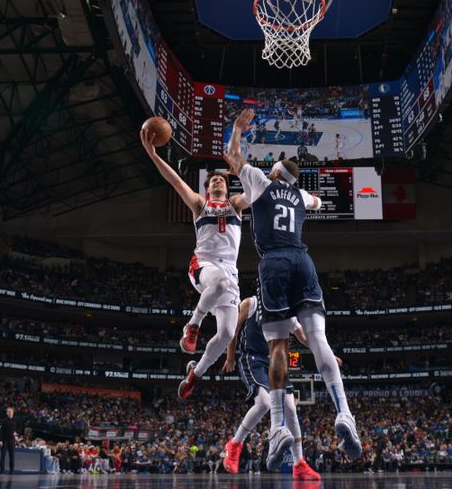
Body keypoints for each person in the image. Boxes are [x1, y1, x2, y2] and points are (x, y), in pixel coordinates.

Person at [224, 109, 361, 472]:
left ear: (274, 173)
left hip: (275, 264)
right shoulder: (301, 196)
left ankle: (279, 428)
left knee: (278, 347)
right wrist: (303, 192)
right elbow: (318, 201)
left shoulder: (260, 182)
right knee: (319, 341)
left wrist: (238, 131)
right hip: (304, 260)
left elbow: (233, 158)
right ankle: (345, 414)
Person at [140, 122, 249, 400]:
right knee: (221, 283)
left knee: (226, 333)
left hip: (228, 273)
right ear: (207, 186)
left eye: (221, 180)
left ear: (227, 186)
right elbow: (175, 181)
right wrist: (153, 155)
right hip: (203, 265)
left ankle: (194, 374)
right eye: (213, 180)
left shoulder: (235, 204)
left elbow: (257, 192)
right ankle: (193, 325)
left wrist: (245, 171)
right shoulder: (200, 205)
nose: (217, 181)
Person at [220, 295, 325, 480]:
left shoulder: (285, 310)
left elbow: (304, 338)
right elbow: (232, 331)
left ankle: (299, 463)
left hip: (276, 361)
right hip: (253, 359)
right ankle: (235, 444)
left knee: (291, 408)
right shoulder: (250, 303)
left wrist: (325, 352)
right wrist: (230, 358)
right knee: (263, 403)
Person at [0, 407, 17, 474]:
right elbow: (1, 431)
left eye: (11, 411)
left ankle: (11, 470)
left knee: (12, 456)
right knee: (3, 455)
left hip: (12, 440)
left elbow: (19, 428)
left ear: (13, 412)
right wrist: (0, 440)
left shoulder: (15, 421)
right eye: (8, 412)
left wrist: (16, 432)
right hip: (4, 440)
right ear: (7, 413)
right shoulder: (4, 421)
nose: (9, 413)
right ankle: (2, 470)